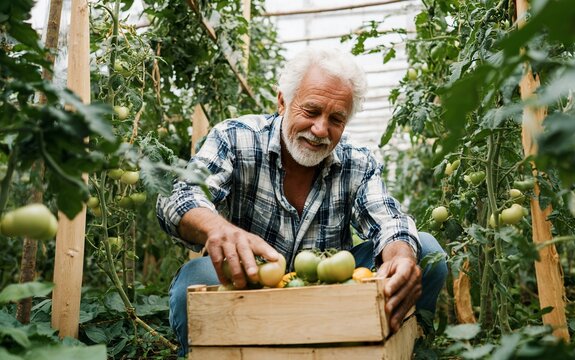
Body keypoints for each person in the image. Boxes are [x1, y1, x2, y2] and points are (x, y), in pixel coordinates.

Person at [156, 47, 447, 356]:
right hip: (250, 287)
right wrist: (218, 228)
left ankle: (390, 345)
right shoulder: (236, 138)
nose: (321, 129)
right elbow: (179, 195)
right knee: (197, 281)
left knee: (425, 253)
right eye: (311, 111)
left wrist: (399, 256)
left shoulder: (357, 162)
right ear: (283, 102)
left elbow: (389, 220)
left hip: (330, 293)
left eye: (336, 119)